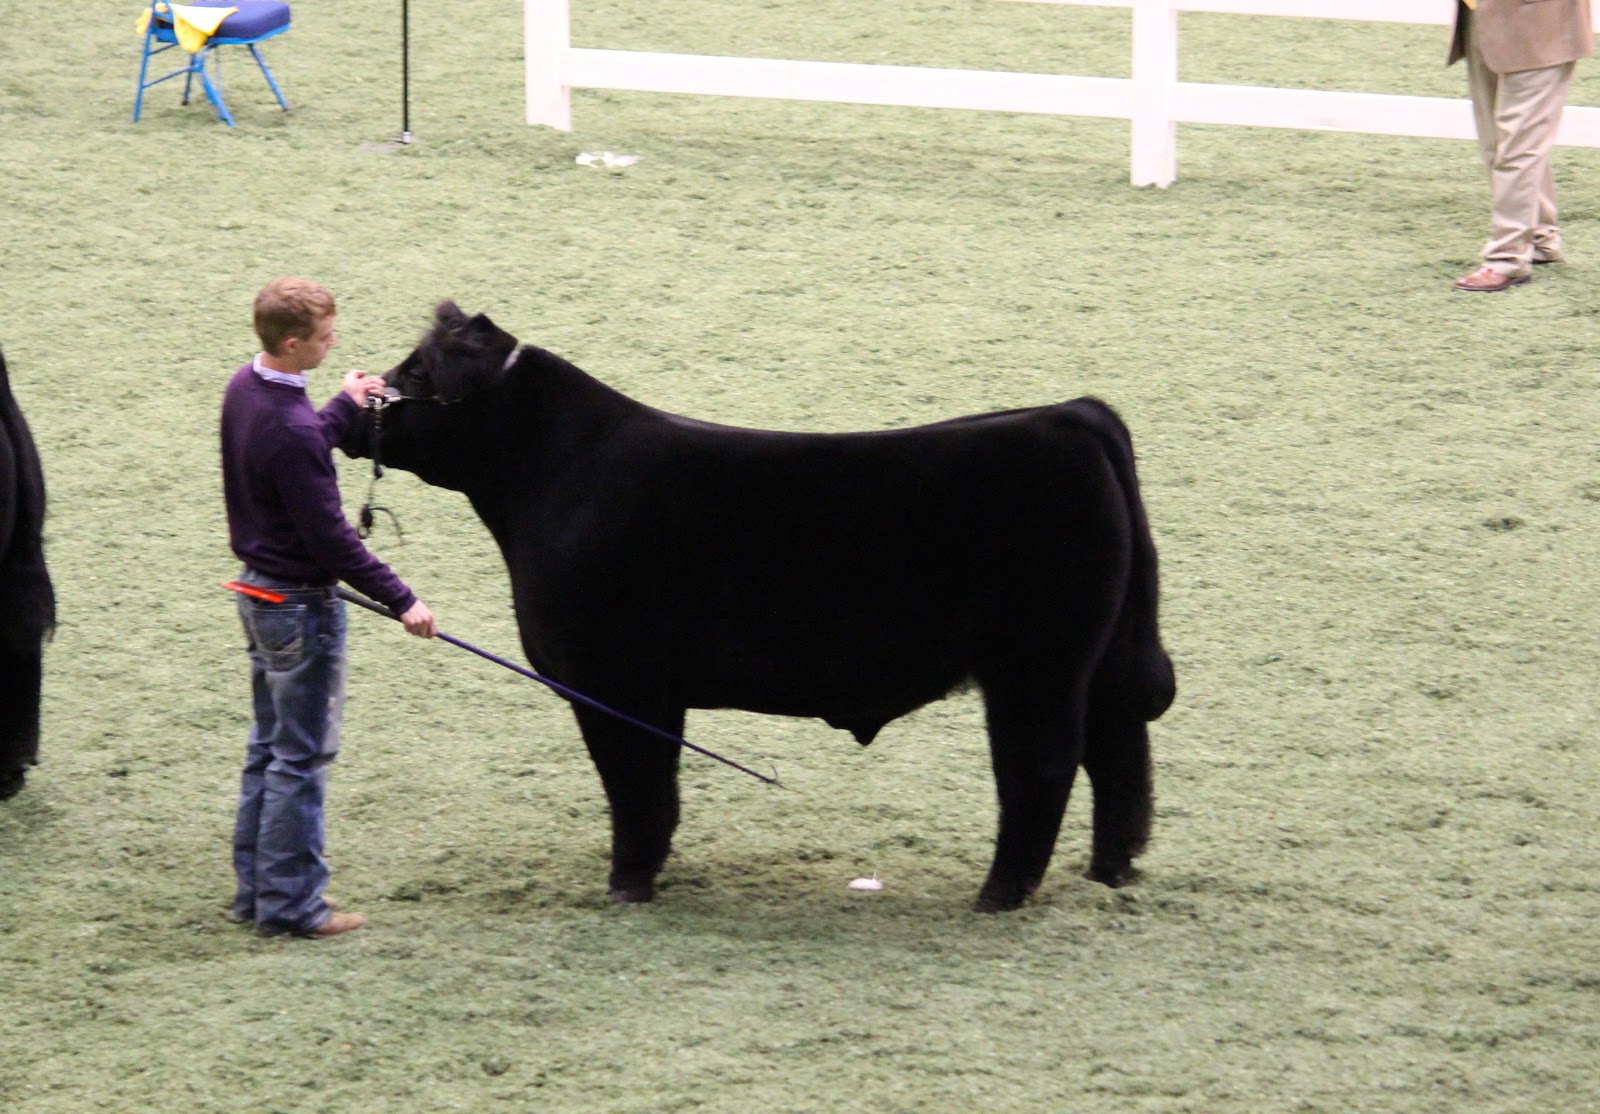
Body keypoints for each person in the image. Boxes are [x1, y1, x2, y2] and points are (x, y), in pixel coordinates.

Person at [221, 277, 436, 938]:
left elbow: (300, 443)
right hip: (300, 608)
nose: (334, 341)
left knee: (270, 749)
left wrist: (343, 405)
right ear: (293, 342)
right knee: (301, 759)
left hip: (260, 593)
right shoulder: (290, 431)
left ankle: (256, 893)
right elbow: (333, 540)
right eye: (323, 336)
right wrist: (405, 601)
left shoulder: (246, 389)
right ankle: (292, 907)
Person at [1449, 0, 1594, 292]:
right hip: (1480, 16)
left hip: (1542, 24)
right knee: (1496, 144)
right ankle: (1541, 238)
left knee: (1518, 148)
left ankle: (1506, 258)